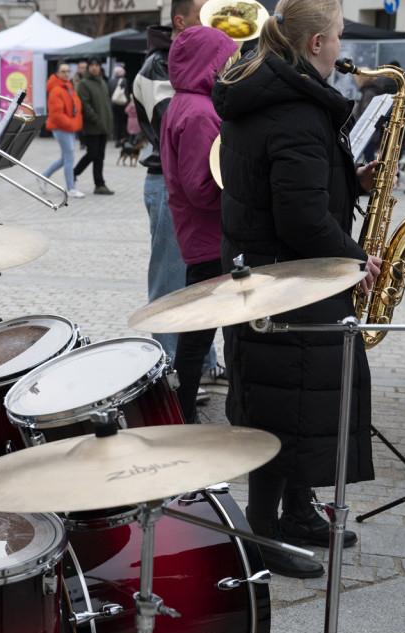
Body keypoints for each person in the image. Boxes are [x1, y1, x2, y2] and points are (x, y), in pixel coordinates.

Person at [212, 0, 382, 577]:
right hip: (289, 286)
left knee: (288, 402)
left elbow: (291, 188)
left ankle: (299, 510)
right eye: (336, 37)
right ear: (314, 46)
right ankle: (265, 536)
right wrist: (360, 258)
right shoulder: (295, 111)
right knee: (282, 408)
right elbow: (303, 222)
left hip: (268, 278)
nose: (342, 48)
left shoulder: (267, 93)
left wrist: (344, 179)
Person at [131, 1, 222, 392]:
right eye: (207, 14)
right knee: (173, 284)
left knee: (197, 289)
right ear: (181, 22)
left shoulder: (186, 70)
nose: (218, 20)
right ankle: (169, 373)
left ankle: (202, 363)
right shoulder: (160, 69)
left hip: (178, 185)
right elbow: (183, 133)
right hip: (171, 185)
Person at [160, 25, 239, 424]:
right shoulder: (200, 112)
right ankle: (183, 412)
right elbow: (201, 189)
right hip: (210, 238)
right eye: (227, 57)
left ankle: (182, 409)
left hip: (200, 235)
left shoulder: (187, 102)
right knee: (200, 338)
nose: (232, 64)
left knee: (198, 334)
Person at [40, 62, 84, 199]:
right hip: (62, 128)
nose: (66, 73)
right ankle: (71, 188)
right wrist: (71, 124)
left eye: (68, 71)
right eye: (63, 71)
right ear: (57, 73)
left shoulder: (66, 87)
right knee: (69, 156)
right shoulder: (56, 89)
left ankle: (43, 177)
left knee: (65, 157)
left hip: (68, 127)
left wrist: (73, 123)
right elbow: (57, 113)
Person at [73, 58, 114, 195]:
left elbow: (106, 104)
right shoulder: (84, 84)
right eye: (92, 66)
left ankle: (100, 184)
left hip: (103, 126)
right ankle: (74, 173)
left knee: (100, 156)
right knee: (92, 153)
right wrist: (96, 120)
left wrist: (108, 123)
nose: (94, 68)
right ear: (88, 68)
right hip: (92, 127)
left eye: (97, 65)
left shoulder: (102, 82)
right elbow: (85, 105)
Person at [108, 64, 128, 146]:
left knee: (115, 121)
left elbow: (109, 93)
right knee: (122, 121)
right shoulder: (124, 80)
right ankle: (121, 138)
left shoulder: (110, 81)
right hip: (122, 104)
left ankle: (116, 138)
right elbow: (126, 93)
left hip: (113, 103)